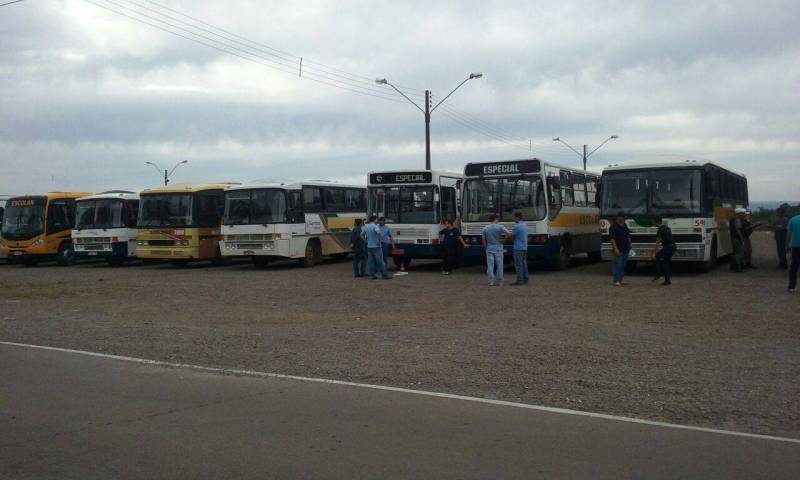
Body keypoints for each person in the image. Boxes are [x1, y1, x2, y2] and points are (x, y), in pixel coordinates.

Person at [482, 214, 509, 286]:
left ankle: (490, 282)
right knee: (500, 266)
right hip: (499, 248)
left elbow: (484, 240)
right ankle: (500, 282)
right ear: (496, 219)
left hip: (489, 248)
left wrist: (485, 248)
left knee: (490, 266)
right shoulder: (500, 227)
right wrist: (503, 240)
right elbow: (508, 233)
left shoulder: (485, 228)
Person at [364, 215, 391, 280]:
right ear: (374, 220)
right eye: (377, 219)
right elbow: (379, 234)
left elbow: (361, 235)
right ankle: (385, 275)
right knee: (381, 261)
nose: (378, 221)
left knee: (371, 261)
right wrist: (379, 241)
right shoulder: (375, 226)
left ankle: (371, 275)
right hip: (376, 246)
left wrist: (366, 241)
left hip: (369, 246)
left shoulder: (366, 226)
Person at [609, 211, 631, 287]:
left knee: (623, 264)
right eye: (623, 218)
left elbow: (628, 235)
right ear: (619, 218)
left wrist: (630, 243)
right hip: (618, 248)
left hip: (626, 248)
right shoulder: (613, 227)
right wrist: (615, 249)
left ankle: (621, 279)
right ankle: (616, 280)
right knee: (617, 264)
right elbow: (612, 239)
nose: (624, 220)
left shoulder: (624, 225)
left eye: (625, 218)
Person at [652, 216, 676, 286]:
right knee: (666, 263)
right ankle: (667, 281)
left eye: (652, 222)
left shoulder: (660, 229)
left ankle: (658, 274)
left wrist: (654, 253)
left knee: (656, 257)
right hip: (673, 247)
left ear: (656, 222)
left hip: (668, 247)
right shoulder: (666, 227)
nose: (652, 223)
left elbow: (657, 243)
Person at [511, 212, 529, 285]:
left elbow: (513, 237)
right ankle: (525, 278)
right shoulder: (525, 225)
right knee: (524, 263)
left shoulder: (517, 226)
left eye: (514, 217)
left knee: (518, 265)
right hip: (524, 247)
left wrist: (507, 235)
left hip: (518, 247)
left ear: (517, 218)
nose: (513, 219)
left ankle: (520, 280)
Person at [729, 208, 746, 272]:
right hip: (736, 238)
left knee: (734, 253)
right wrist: (741, 238)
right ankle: (737, 267)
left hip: (732, 237)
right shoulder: (737, 220)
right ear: (739, 213)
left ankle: (732, 267)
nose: (743, 214)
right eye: (742, 213)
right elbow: (738, 230)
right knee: (739, 253)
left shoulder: (732, 219)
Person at [787, 212, 800, 293]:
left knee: (794, 266)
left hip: (796, 246)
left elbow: (789, 234)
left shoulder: (793, 219)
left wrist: (787, 245)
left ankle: (792, 286)